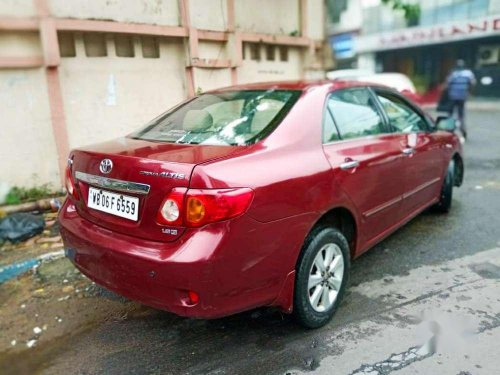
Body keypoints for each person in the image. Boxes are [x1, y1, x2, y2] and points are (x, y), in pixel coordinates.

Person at [445, 59, 476, 139]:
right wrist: (468, 92)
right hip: (462, 96)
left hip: (453, 96)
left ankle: (449, 131)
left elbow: (448, 84)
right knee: (461, 114)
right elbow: (472, 83)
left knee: (450, 114)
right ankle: (463, 131)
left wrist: (449, 94)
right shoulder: (468, 73)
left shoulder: (453, 73)